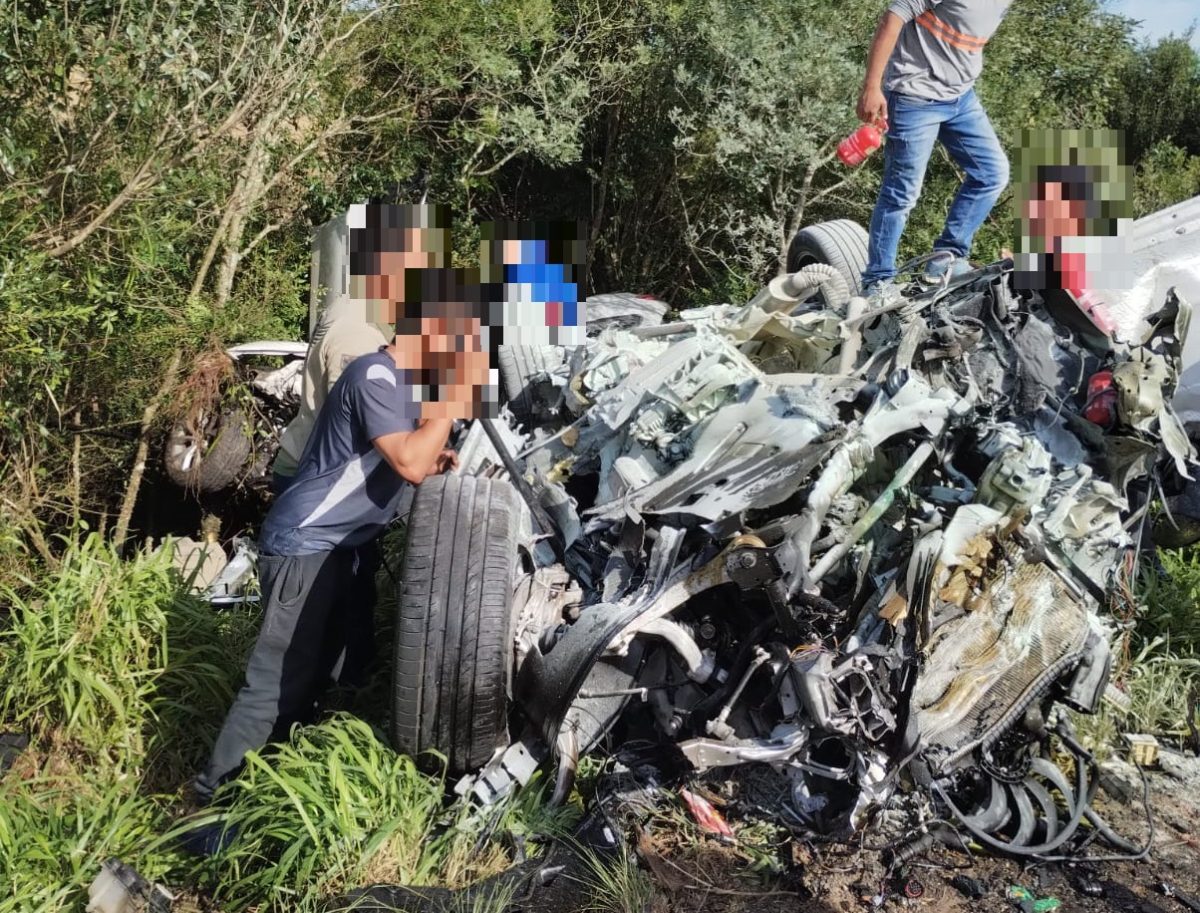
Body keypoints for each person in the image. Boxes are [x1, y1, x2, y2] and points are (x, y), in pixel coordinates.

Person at [190, 263, 488, 819]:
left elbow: (395, 454)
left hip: (334, 547)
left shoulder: (391, 384)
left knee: (320, 668)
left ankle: (260, 787)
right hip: (306, 543)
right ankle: (210, 806)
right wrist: (451, 400)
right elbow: (409, 462)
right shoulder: (375, 375)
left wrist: (435, 449)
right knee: (277, 679)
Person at [270, 202, 450, 494]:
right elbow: (365, 424)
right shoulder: (358, 329)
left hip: (331, 470)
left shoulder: (378, 317)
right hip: (315, 480)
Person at [857, 0, 1013, 304]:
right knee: (901, 195)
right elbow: (893, 17)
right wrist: (872, 87)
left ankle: (946, 259)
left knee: (992, 173)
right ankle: (877, 281)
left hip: (961, 99)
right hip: (914, 98)